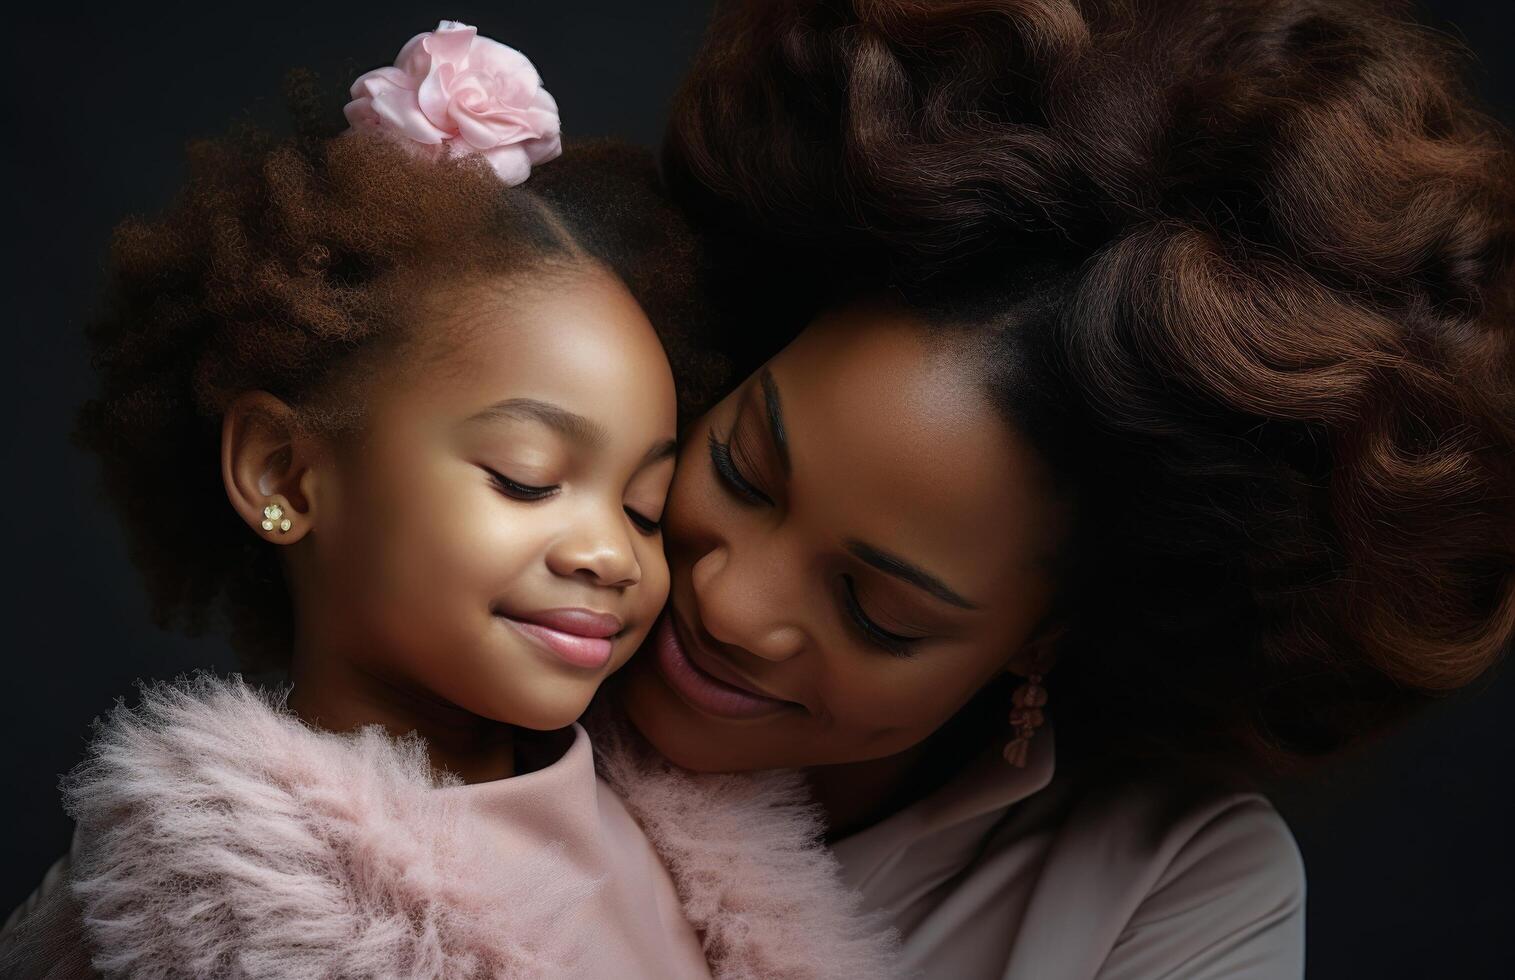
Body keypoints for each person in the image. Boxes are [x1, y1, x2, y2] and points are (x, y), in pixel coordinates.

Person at [607, 0, 1515, 977]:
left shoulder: (1174, 890)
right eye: (745, 469)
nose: (731, 600)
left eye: (876, 608)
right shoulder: (483, 565)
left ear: (1051, 632)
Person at [0, 21, 898, 980]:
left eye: (642, 505)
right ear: (284, 475)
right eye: (526, 477)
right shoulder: (230, 920)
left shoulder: (679, 825)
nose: (611, 553)